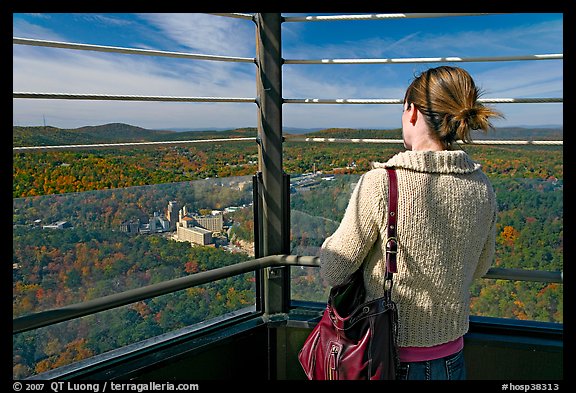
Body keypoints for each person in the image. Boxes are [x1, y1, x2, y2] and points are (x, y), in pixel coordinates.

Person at [319, 65, 504, 380]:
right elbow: (481, 265)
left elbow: (336, 268)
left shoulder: (382, 182)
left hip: (386, 357)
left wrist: (325, 247)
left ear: (413, 112)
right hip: (452, 356)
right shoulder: (481, 185)